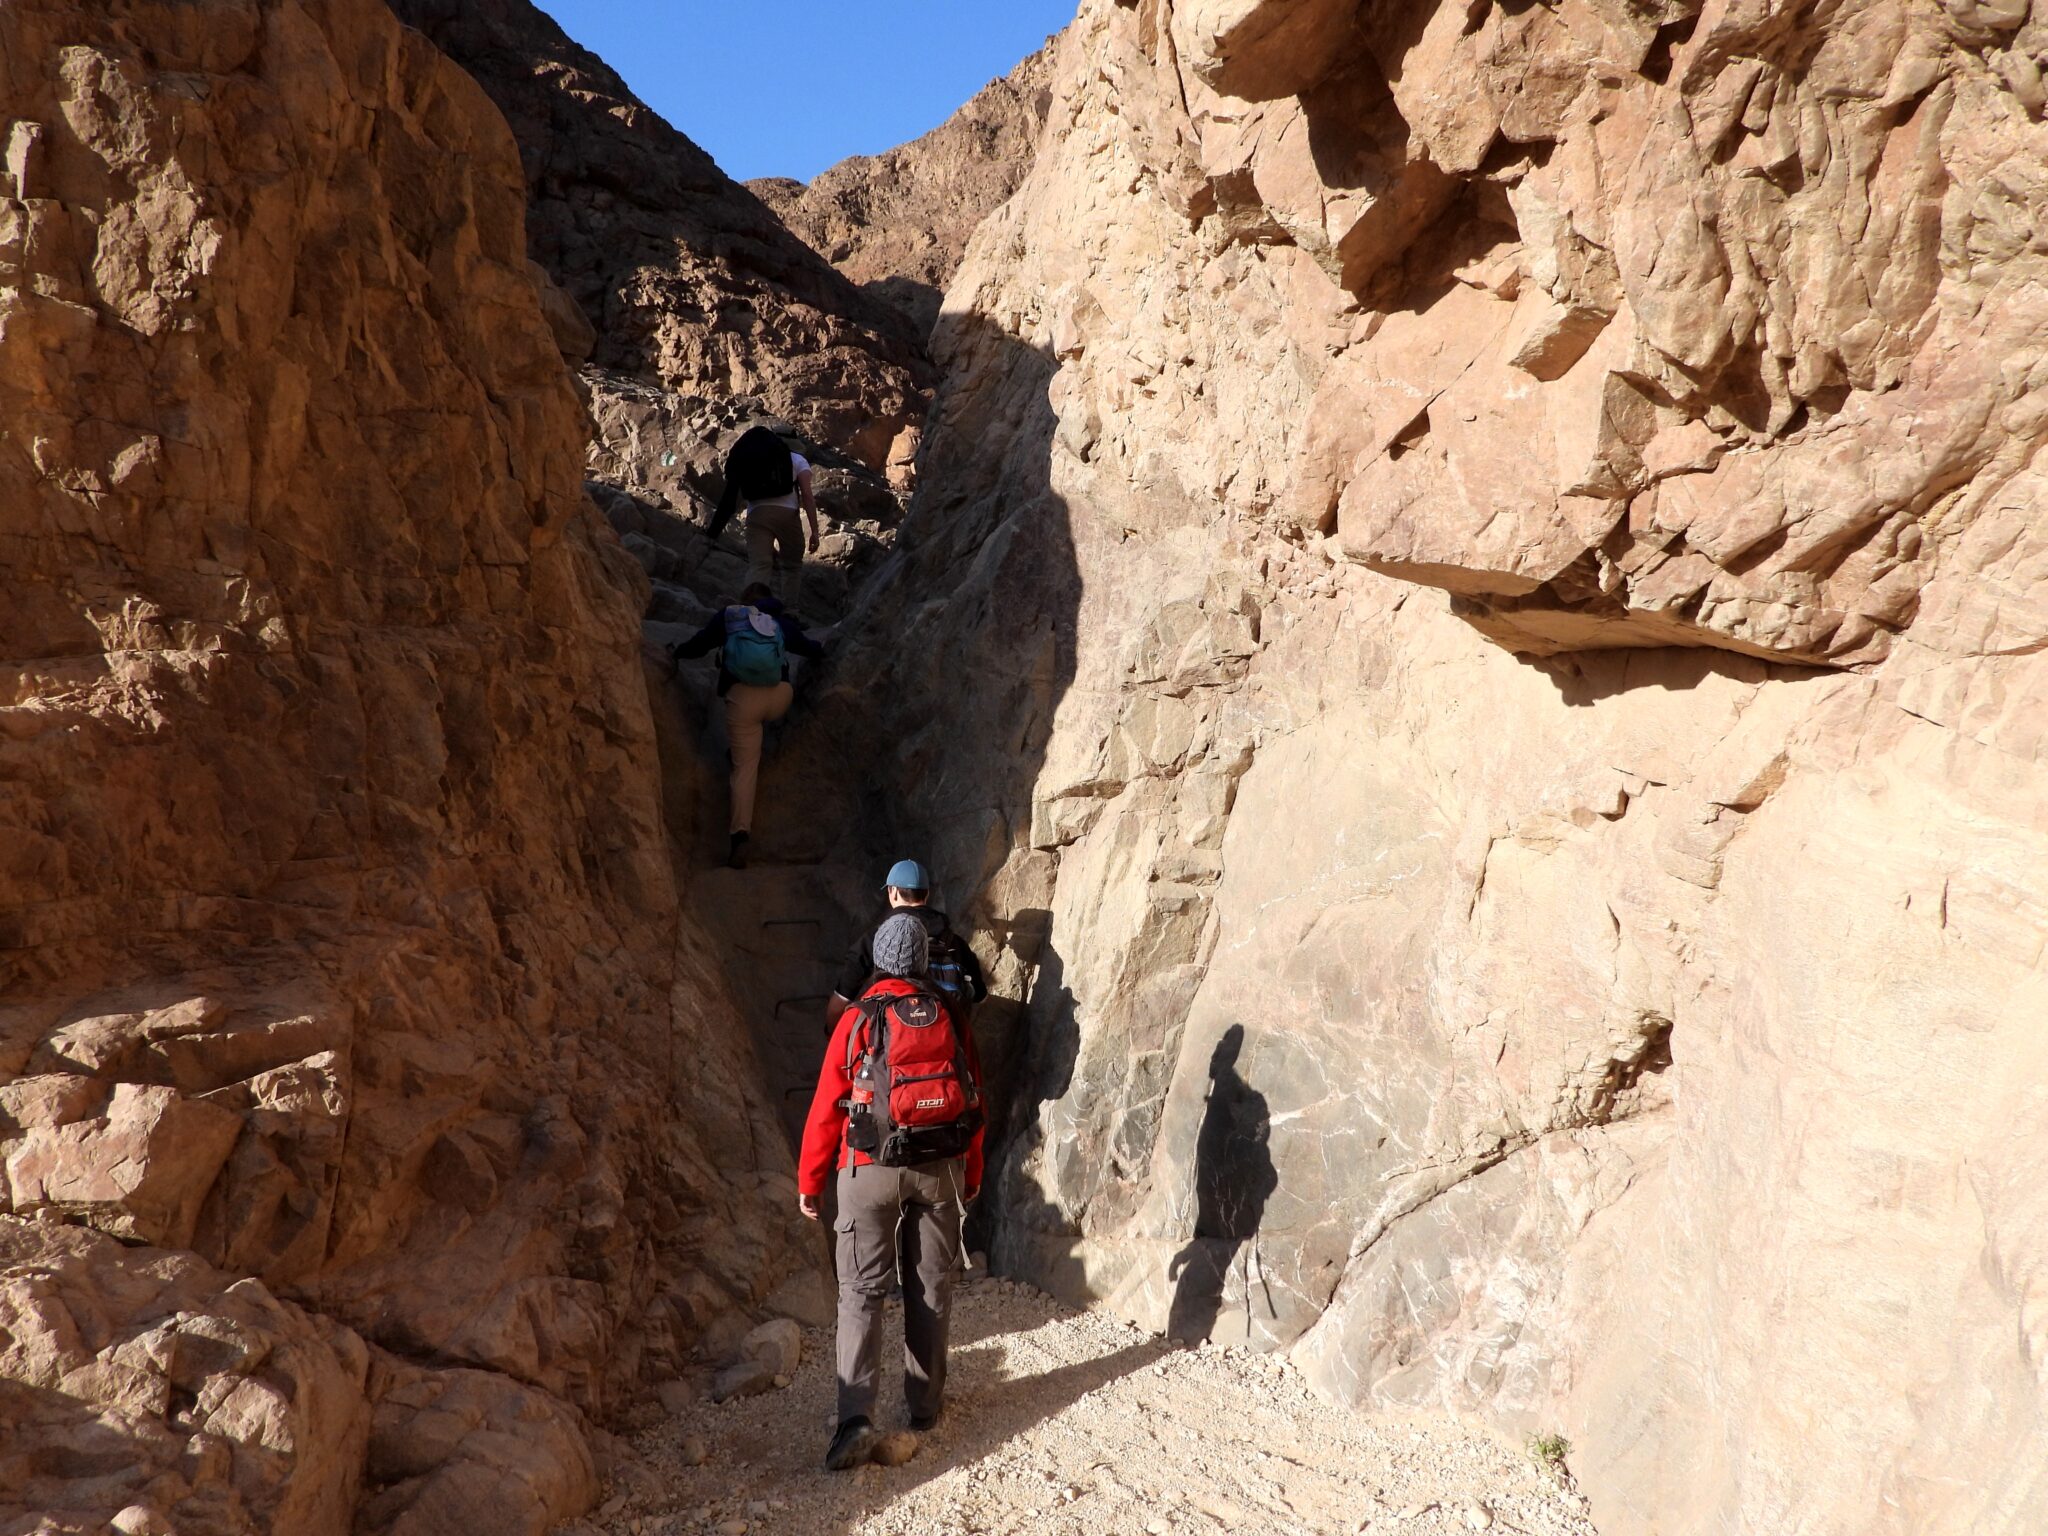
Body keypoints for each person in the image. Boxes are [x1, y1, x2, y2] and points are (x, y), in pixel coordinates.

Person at [797, 913, 985, 1471]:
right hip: (941, 1165)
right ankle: (924, 1407)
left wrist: (811, 1182)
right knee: (930, 1285)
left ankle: (855, 1418)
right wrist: (970, 1176)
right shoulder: (949, 1015)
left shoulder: (855, 1019)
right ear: (925, 962)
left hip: (868, 1165)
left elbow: (826, 1107)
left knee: (860, 1290)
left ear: (879, 961)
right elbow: (976, 1104)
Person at [668, 583, 824, 869]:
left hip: (742, 700)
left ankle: (740, 836)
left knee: (744, 768)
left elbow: (700, 643)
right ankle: (757, 737)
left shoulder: (732, 617)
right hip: (780, 697)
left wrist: (676, 653)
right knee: (760, 722)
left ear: (745, 601)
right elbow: (809, 648)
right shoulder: (779, 622)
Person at [825, 859, 987, 1027]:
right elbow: (980, 996)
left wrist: (832, 1034)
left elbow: (839, 1004)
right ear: (927, 894)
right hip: (945, 1044)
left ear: (893, 891)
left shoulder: (875, 940)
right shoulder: (954, 942)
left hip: (893, 1045)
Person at [703, 423, 820, 603]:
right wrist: (814, 531)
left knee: (759, 565)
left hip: (756, 514)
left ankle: (751, 609)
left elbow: (734, 493)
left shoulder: (755, 456)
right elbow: (807, 496)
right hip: (787, 515)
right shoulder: (797, 459)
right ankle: (790, 612)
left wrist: (714, 530)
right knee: (792, 566)